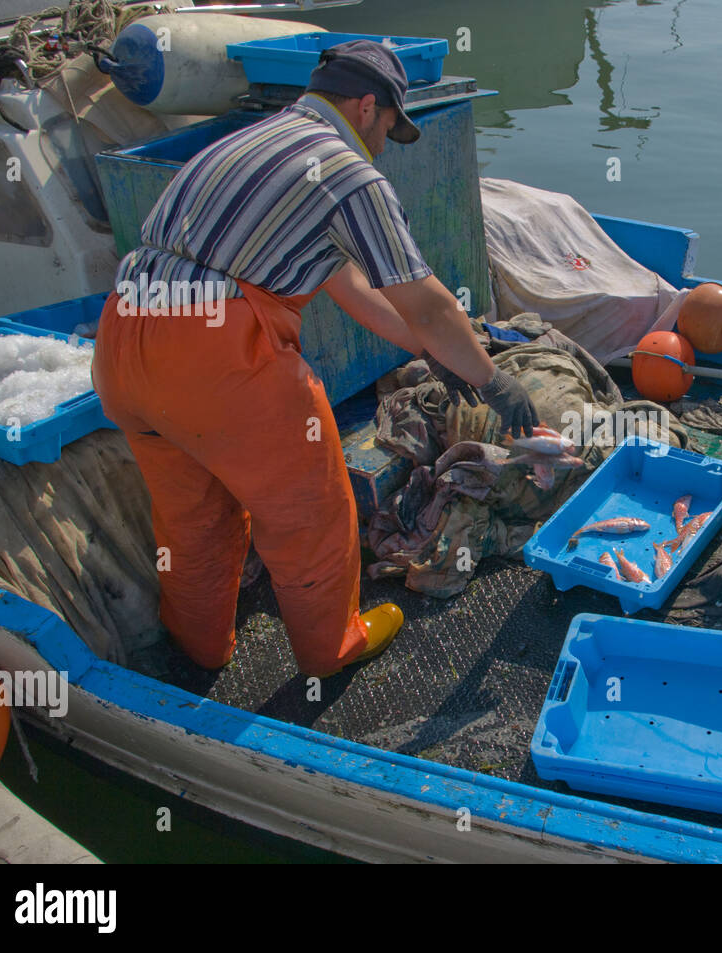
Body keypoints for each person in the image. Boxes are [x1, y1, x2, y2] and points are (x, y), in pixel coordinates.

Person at [91, 40, 538, 678]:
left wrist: (426, 352)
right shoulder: (347, 172)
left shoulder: (244, 145)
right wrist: (491, 380)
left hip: (124, 346)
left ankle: (200, 649)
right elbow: (429, 303)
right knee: (313, 513)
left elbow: (351, 286)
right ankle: (332, 651)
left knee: (192, 518)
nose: (384, 141)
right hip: (218, 360)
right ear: (364, 106)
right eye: (388, 124)